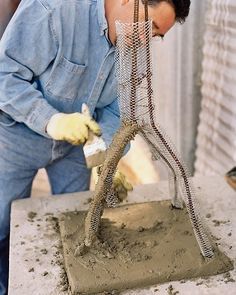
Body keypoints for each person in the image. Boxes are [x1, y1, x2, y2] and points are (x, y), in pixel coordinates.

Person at [0, 0, 190, 293]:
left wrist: (107, 159)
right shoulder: (55, 10)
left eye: (156, 35)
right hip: (15, 137)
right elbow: (5, 76)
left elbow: (118, 110)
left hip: (76, 146)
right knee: (3, 224)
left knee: (74, 218)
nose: (146, 40)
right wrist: (52, 121)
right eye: (149, 26)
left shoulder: (134, 49)